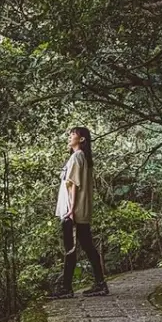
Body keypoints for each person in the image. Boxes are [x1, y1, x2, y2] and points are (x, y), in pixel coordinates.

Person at [49, 126, 109, 298]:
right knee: (88, 247)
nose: (69, 137)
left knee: (71, 248)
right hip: (80, 210)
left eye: (72, 135)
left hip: (72, 211)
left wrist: (71, 210)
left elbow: (73, 185)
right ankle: (100, 283)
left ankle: (67, 288)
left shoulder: (77, 157)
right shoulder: (83, 157)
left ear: (82, 139)